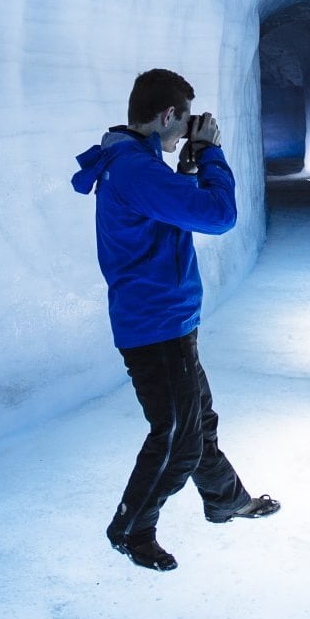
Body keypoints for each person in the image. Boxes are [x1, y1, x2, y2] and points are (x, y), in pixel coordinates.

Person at [70, 67, 280, 572]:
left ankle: (225, 498)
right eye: (183, 121)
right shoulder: (136, 171)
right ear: (167, 115)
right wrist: (210, 154)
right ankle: (132, 528)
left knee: (195, 424)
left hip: (166, 321)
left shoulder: (137, 165)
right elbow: (219, 215)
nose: (185, 130)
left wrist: (186, 167)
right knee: (175, 437)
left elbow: (169, 214)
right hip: (156, 328)